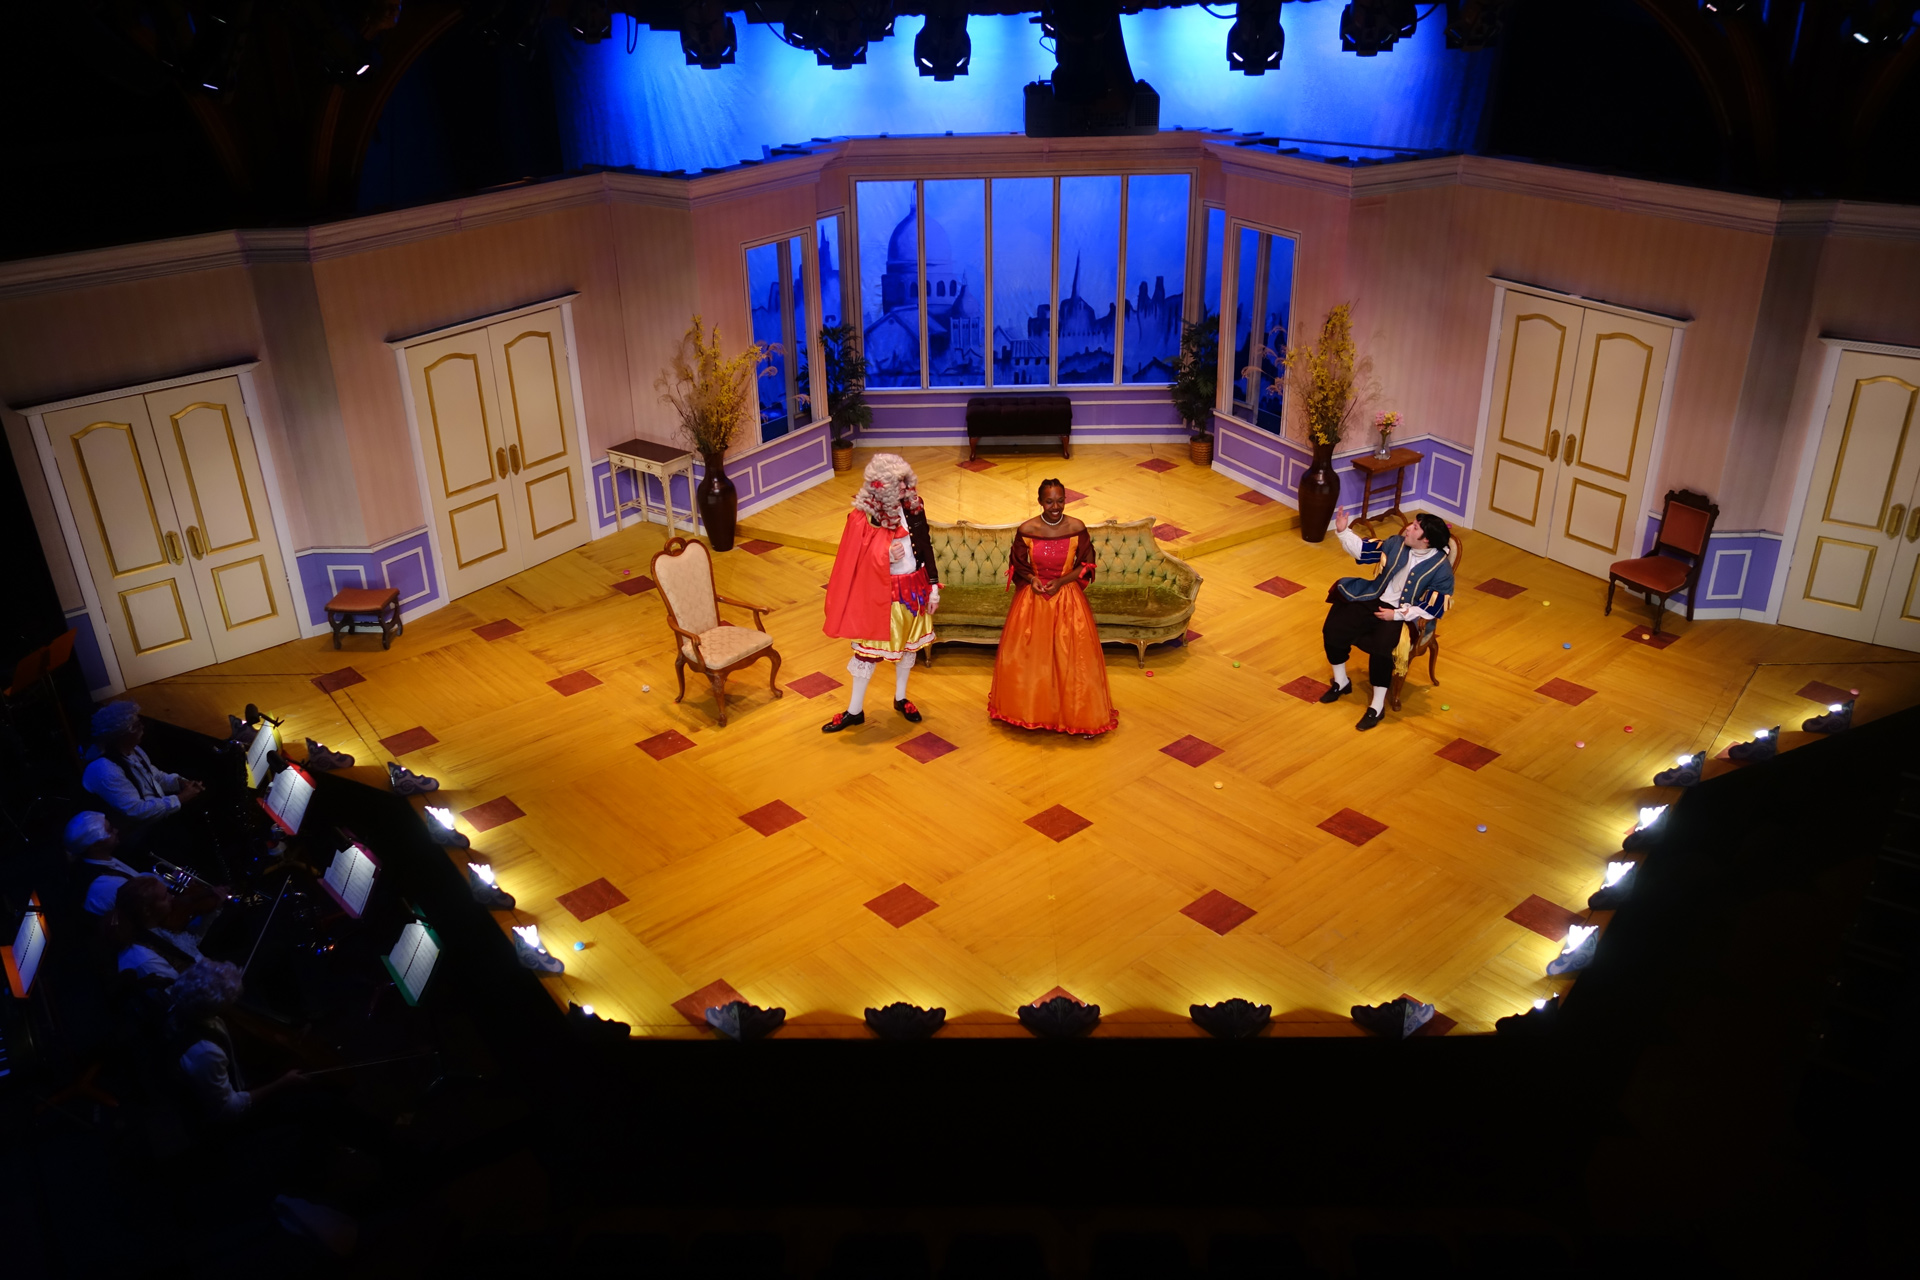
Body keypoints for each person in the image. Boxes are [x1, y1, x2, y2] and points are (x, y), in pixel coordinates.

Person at [821, 453, 942, 732]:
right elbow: (852, 560)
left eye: (905, 482)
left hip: (915, 591)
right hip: (882, 596)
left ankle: (900, 698)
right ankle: (854, 710)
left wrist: (933, 586)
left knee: (909, 647)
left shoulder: (914, 506)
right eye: (897, 484)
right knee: (868, 653)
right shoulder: (863, 516)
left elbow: (925, 545)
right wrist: (884, 554)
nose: (904, 489)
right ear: (882, 486)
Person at [988, 479, 1118, 737]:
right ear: (1040, 502)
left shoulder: (1077, 527)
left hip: (1068, 598)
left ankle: (1076, 715)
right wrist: (1032, 579)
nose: (1056, 506)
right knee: (1032, 660)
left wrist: (1061, 581)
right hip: (1033, 601)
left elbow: (1086, 565)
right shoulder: (1026, 529)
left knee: (1073, 660)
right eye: (1050, 501)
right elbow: (1019, 565)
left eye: (1060, 500)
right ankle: (1032, 712)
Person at [1319, 507, 1455, 731]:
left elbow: (1431, 607)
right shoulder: (1396, 543)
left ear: (1426, 540)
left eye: (1415, 528)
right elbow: (1365, 550)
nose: (1408, 529)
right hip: (1374, 596)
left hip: (1403, 613)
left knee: (1382, 649)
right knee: (1334, 628)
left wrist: (1397, 615)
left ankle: (1377, 705)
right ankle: (1341, 682)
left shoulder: (1441, 569)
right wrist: (1343, 532)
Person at [164, 959, 303, 1122]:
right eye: (229, 1003)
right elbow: (228, 1109)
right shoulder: (207, 1053)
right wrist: (284, 1082)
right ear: (212, 1008)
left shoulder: (177, 1006)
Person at [81, 701, 203, 848]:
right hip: (137, 837)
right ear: (122, 734)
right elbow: (136, 811)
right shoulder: (104, 769)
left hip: (157, 822)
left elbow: (155, 776)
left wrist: (180, 782)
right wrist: (181, 798)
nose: (143, 727)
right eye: (137, 726)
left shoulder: (134, 750)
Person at [109, 875, 204, 994]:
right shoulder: (145, 957)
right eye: (165, 897)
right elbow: (178, 993)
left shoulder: (158, 927)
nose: (172, 898)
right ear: (147, 911)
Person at [65, 810, 145, 918]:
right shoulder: (105, 885)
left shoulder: (103, 857)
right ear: (95, 845)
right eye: (110, 831)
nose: (116, 830)